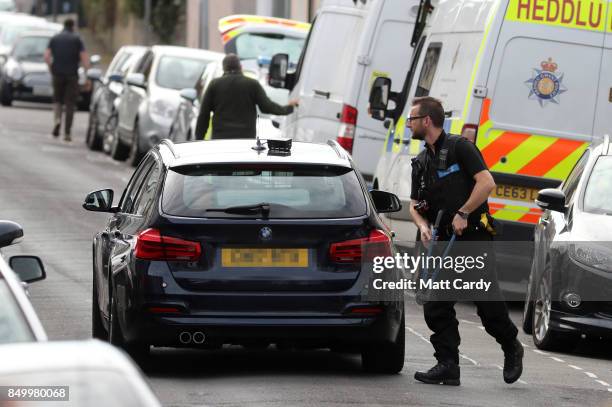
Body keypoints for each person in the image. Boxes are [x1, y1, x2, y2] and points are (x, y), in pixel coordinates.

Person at [407, 96, 523, 386]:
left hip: (472, 239)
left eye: (412, 119)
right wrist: (422, 225)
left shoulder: (461, 148)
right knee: (435, 305)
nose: (408, 124)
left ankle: (511, 345)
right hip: (441, 244)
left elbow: (487, 183)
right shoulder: (421, 162)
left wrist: (463, 212)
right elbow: (413, 204)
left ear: (427, 121)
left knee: (487, 306)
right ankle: (448, 365)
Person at [195, 54, 297, 140]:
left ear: (224, 68)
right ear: (240, 66)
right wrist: (289, 108)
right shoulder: (252, 84)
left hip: (221, 138)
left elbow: (204, 115)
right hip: (245, 138)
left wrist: (199, 139)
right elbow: (267, 107)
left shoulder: (215, 85)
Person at [44, 18, 90, 142]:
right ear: (73, 26)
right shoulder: (77, 39)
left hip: (57, 74)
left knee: (57, 100)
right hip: (72, 75)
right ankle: (67, 132)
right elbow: (84, 58)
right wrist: (86, 74)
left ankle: (57, 120)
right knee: (70, 103)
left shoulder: (55, 38)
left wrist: (51, 68)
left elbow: (47, 56)